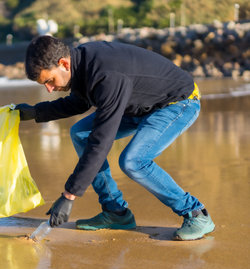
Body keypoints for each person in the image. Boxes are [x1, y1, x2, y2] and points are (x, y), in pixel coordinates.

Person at [15, 35, 215, 241]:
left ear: (63, 64)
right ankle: (115, 212)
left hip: (178, 103)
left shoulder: (106, 75)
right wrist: (35, 112)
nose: (49, 89)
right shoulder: (81, 65)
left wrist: (69, 195)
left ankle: (196, 214)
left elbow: (101, 141)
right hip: (139, 106)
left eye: (49, 81)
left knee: (133, 161)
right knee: (80, 133)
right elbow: (79, 103)